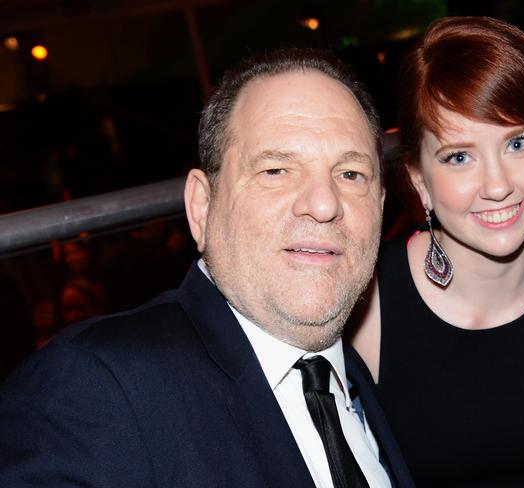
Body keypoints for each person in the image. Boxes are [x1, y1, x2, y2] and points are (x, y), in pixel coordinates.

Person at [0, 48, 415, 488]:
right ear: (201, 207)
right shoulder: (100, 388)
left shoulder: (361, 381)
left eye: (351, 174)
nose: (324, 203)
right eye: (276, 169)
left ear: (382, 205)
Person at [349, 17, 524, 487]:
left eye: (518, 142)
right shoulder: (368, 306)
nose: (499, 185)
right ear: (420, 180)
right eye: (459, 156)